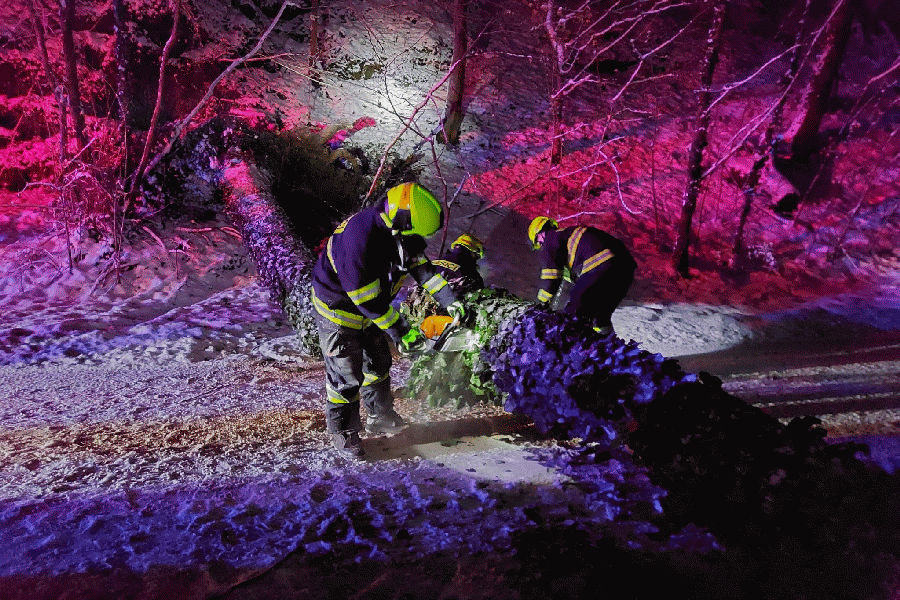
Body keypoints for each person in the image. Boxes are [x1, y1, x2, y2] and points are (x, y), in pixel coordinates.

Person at [311, 182, 466, 459]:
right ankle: (343, 431)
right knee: (346, 375)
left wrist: (448, 299)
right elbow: (367, 301)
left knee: (379, 363)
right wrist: (403, 331)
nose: (419, 243)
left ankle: (380, 415)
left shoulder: (399, 233)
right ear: (402, 225)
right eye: (416, 236)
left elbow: (421, 268)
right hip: (339, 311)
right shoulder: (359, 240)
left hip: (372, 308)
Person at [527, 216, 636, 335]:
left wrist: (541, 303)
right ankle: (607, 340)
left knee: (576, 304)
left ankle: (567, 340)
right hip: (625, 268)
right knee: (599, 316)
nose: (540, 245)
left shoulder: (551, 239)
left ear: (540, 233)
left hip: (601, 263)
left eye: (537, 242)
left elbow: (551, 278)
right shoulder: (568, 235)